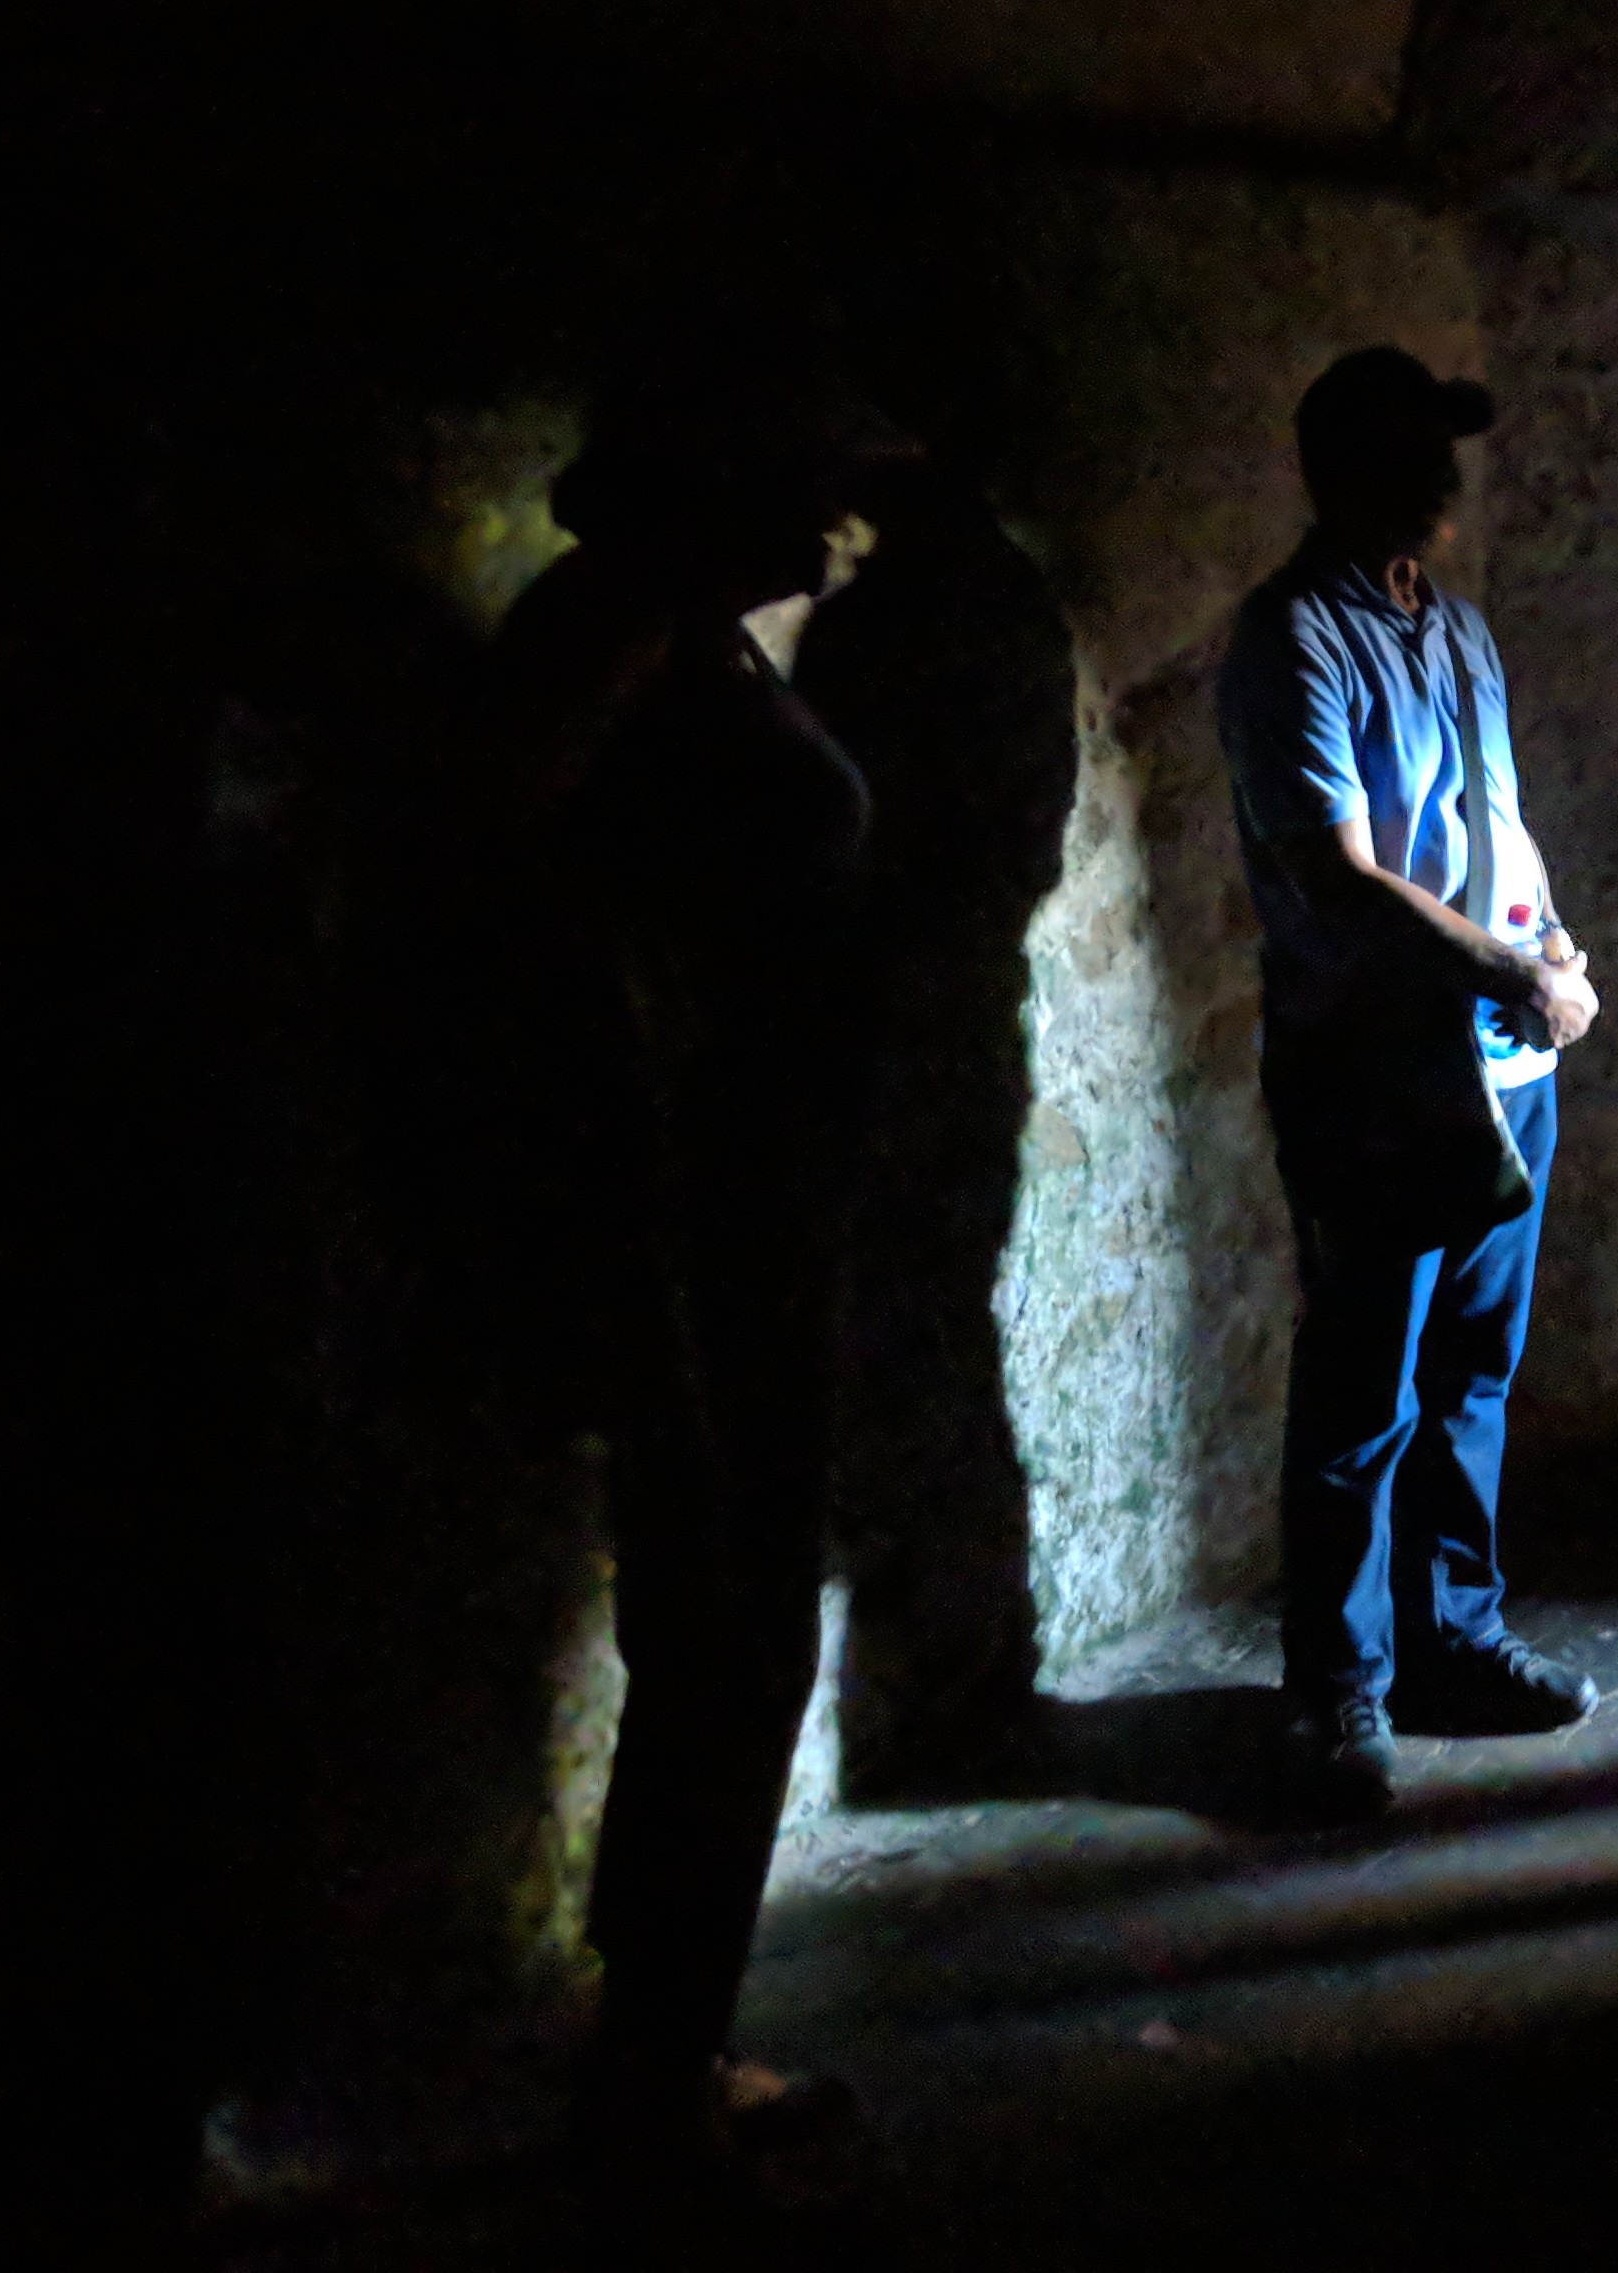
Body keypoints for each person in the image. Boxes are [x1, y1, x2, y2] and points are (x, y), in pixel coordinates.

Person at [493, 368, 905, 2215]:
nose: (840, 515)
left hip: (754, 1216)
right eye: (811, 479)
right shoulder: (615, 647)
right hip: (695, 1231)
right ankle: (652, 2086)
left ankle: (665, 2047)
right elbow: (532, 918)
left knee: (735, 1632)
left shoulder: (688, 644)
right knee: (725, 1632)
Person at [1219, 346, 1606, 1820]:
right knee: (1363, 1393)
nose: (1449, 474)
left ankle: (1453, 1641)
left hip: (1503, 1065)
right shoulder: (1293, 640)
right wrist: (1510, 973)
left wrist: (1551, 946)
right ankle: (1335, 1689)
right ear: (1345, 470)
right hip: (1376, 1069)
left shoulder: (1458, 630)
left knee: (1472, 1376)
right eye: (1418, 446)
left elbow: (1497, 824)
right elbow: (1334, 876)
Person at [794, 456, 1078, 1799]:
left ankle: (948, 1683)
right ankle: (964, 1674)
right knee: (939, 1344)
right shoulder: (1008, 610)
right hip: (950, 1018)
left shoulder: (896, 625)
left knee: (911, 1348)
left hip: (894, 1029)